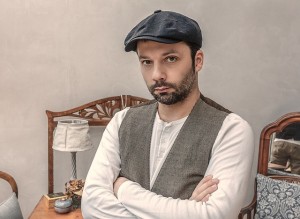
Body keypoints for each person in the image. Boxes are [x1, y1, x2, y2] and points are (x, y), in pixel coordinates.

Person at [82, 10, 254, 219]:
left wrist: (123, 188)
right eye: (146, 62)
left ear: (197, 61)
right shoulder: (122, 121)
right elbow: (91, 206)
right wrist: (188, 208)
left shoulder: (231, 129)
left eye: (170, 59)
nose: (157, 75)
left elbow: (214, 216)